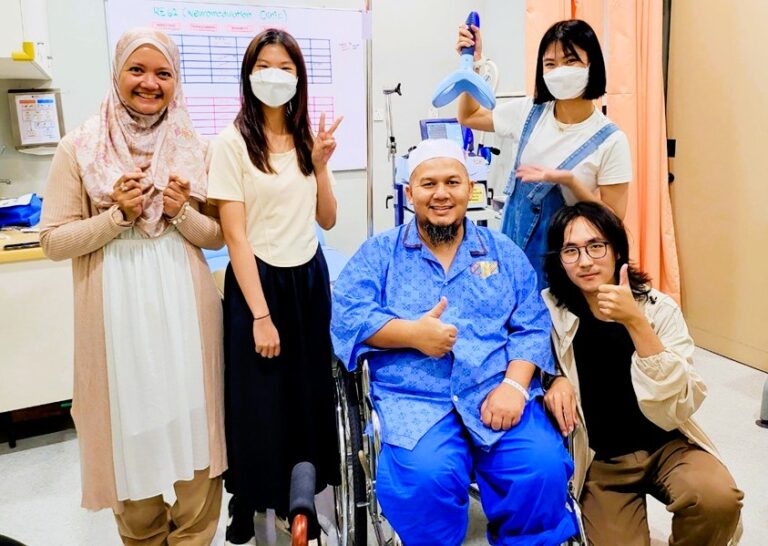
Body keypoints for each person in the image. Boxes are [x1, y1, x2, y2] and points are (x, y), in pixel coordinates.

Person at [331, 138, 579, 546]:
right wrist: (411, 334)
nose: (441, 194)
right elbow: (347, 317)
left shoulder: (502, 253)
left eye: (452, 182)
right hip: (416, 401)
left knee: (541, 468)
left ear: (470, 189)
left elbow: (532, 326)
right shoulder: (380, 255)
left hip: (497, 391)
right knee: (424, 480)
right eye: (428, 184)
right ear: (410, 192)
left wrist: (515, 387)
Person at [40, 28, 226, 544]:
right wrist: (117, 216)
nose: (150, 83)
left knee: (196, 442)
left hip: (186, 318)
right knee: (130, 447)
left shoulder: (196, 147)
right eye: (137, 70)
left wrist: (180, 212)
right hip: (116, 323)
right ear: (116, 74)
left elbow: (216, 235)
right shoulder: (79, 147)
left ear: (176, 81)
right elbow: (53, 241)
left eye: (163, 73)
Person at [206, 29, 342, 546]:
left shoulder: (307, 140)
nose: (275, 76)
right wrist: (261, 316)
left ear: (299, 78)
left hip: (308, 277)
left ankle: (296, 497)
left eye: (286, 67)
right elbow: (235, 236)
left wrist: (321, 166)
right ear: (248, 75)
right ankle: (249, 496)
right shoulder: (231, 143)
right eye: (265, 66)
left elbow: (327, 219)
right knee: (259, 399)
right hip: (257, 281)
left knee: (305, 394)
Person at [540, 202, 743, 546]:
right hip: (602, 461)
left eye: (596, 246)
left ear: (617, 250)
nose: (585, 261)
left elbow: (683, 400)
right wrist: (553, 379)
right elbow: (528, 364)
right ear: (559, 259)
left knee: (717, 499)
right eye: (571, 250)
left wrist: (635, 321)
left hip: (667, 443)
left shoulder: (658, 308)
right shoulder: (549, 311)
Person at [457, 19, 632, 288]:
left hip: (568, 268)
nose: (559, 71)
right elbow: (468, 116)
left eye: (570, 60)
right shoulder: (529, 112)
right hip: (513, 254)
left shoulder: (611, 140)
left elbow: (613, 219)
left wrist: (570, 182)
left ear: (592, 64)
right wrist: (472, 66)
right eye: (550, 64)